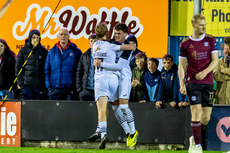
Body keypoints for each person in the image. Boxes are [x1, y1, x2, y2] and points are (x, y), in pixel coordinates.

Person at [91, 23, 139, 147]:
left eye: (119, 34)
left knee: (123, 107)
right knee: (115, 108)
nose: (116, 35)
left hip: (123, 76)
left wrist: (101, 64)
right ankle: (128, 132)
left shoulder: (126, 47)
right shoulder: (112, 44)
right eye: (115, 33)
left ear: (125, 34)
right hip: (113, 77)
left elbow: (119, 66)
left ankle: (133, 132)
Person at [178, 14, 218, 153]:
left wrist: (205, 72)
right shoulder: (185, 43)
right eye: (201, 24)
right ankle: (198, 146)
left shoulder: (211, 40)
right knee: (196, 112)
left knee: (205, 118)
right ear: (194, 25)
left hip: (208, 83)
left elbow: (215, 61)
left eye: (205, 24)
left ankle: (193, 138)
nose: (204, 27)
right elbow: (182, 65)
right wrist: (182, 83)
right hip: (192, 83)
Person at [45, 27, 82, 100]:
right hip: (54, 90)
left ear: (69, 36)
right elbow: (47, 71)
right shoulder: (51, 52)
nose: (63, 36)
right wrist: (49, 88)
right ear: (57, 36)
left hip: (70, 90)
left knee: (70, 111)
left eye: (65, 34)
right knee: (54, 111)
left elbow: (80, 71)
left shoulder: (76, 51)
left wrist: (75, 87)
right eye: (61, 34)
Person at [15, 29, 48, 100]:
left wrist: (44, 85)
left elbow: (46, 69)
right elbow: (18, 68)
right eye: (33, 37)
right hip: (26, 85)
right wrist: (20, 83)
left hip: (39, 86)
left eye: (37, 38)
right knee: (27, 107)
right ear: (30, 38)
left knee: (38, 109)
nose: (35, 40)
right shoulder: (23, 50)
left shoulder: (44, 51)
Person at [76, 33, 97, 101]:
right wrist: (80, 90)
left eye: (95, 41)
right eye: (91, 41)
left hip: (98, 90)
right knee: (84, 111)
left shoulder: (103, 56)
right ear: (88, 43)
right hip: (85, 89)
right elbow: (79, 72)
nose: (93, 43)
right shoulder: (84, 56)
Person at [214, 36, 230, 105]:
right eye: (225, 48)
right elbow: (217, 76)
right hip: (220, 101)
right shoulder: (219, 62)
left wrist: (224, 70)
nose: (226, 51)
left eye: (228, 49)